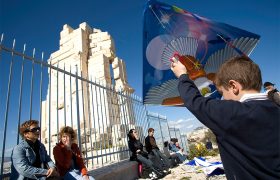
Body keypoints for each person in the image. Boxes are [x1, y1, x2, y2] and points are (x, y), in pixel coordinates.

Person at [170, 55, 280, 179]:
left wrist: (182, 75)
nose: (222, 99)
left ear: (234, 86)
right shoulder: (275, 108)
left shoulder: (233, 113)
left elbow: (195, 102)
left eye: (222, 93)